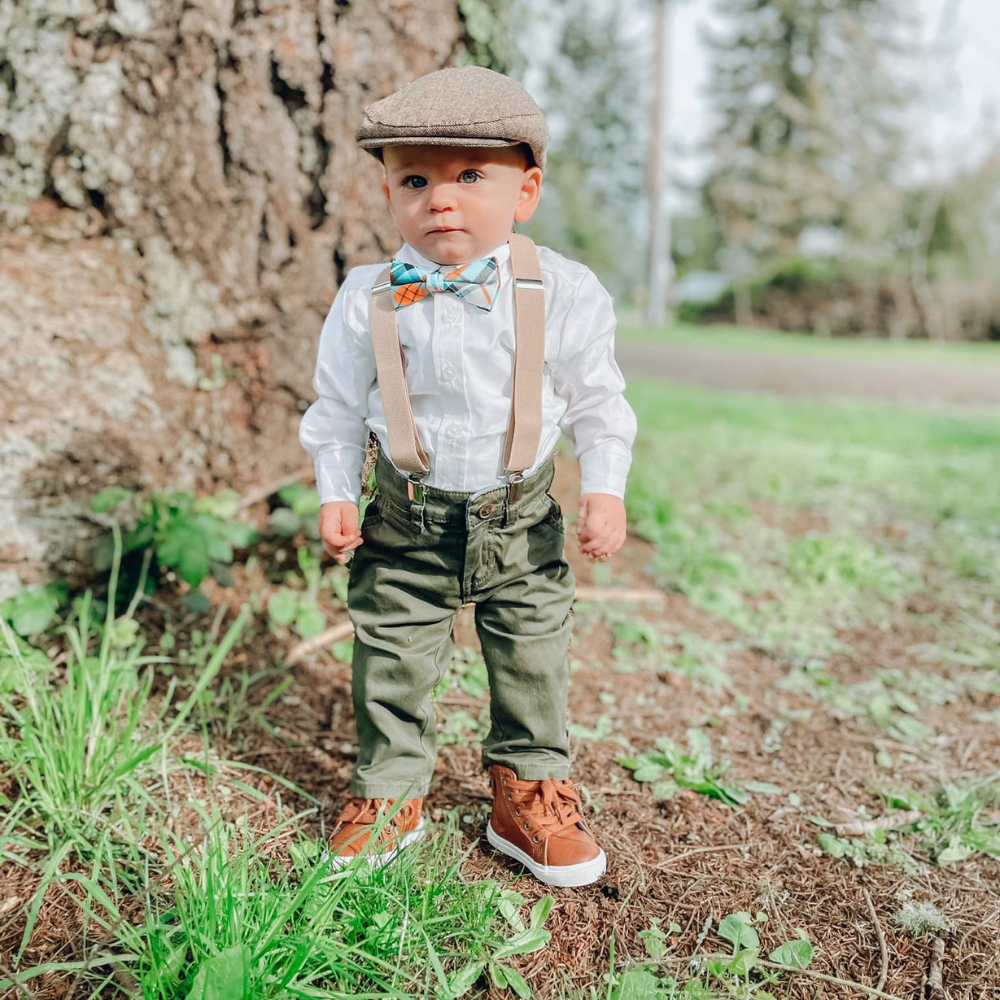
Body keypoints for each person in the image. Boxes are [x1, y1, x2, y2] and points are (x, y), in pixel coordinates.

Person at [299, 65, 636, 888]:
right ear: (387, 193)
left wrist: (605, 487)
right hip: (405, 518)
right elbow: (338, 406)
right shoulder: (368, 295)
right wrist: (337, 490)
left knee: (530, 651)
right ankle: (388, 789)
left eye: (470, 177)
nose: (440, 200)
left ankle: (526, 788)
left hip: (519, 517)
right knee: (393, 650)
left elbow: (599, 400)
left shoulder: (564, 292)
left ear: (525, 191)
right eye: (416, 179)